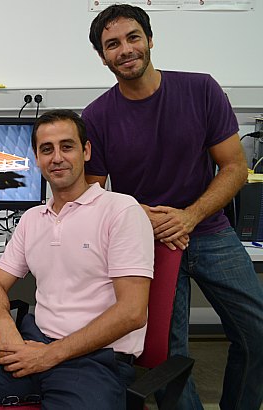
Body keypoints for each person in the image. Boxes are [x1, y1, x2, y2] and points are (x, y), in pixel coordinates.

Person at [0, 109, 154, 409]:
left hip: (95, 359)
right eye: (46, 149)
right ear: (36, 159)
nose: (57, 157)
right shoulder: (32, 219)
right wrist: (4, 325)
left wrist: (50, 355)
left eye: (67, 146)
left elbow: (132, 312)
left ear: (85, 151)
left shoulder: (121, 211)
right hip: (32, 343)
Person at [83, 4, 263, 409]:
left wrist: (190, 216)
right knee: (165, 353)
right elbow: (93, 192)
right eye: (112, 44)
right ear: (102, 56)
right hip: (148, 240)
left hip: (209, 230)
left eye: (133, 37)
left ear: (150, 39)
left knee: (257, 332)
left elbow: (235, 167)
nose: (125, 49)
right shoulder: (96, 116)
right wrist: (139, 215)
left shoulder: (201, 90)